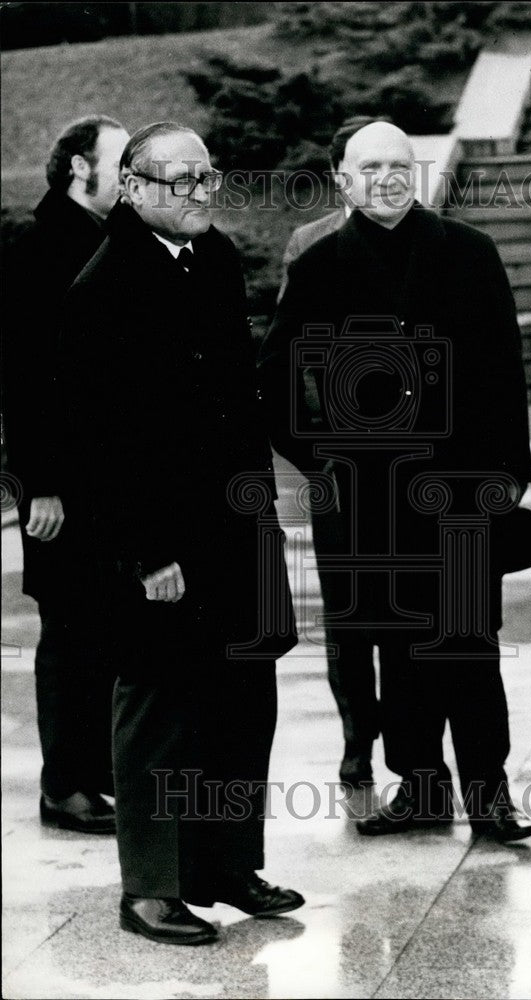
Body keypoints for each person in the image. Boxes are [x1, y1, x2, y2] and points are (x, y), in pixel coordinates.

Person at [58, 122, 302, 945]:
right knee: (158, 704)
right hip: (160, 545)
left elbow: (239, 399)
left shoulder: (216, 257)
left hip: (236, 527)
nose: (202, 194)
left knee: (240, 699)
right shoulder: (104, 285)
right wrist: (144, 553)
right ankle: (152, 889)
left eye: (208, 179)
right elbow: (97, 442)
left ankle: (225, 865)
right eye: (182, 181)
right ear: (132, 187)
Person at [260, 121, 531, 841]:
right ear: (343, 179)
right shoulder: (321, 265)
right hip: (368, 502)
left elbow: (506, 373)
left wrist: (508, 478)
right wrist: (323, 460)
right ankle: (418, 786)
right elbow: (276, 378)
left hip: (464, 491)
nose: (386, 177)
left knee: (468, 646)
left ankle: (490, 793)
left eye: (398, 164)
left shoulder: (470, 252)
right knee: (396, 648)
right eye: (370, 166)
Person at [2, 115, 130, 834]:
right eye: (121, 161)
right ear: (82, 168)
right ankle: (64, 786)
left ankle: (98, 772)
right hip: (61, 486)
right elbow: (23, 375)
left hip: (109, 480)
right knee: (70, 631)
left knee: (105, 626)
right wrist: (38, 483)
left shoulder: (109, 238)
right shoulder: (40, 245)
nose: (133, 175)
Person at [279, 117, 386, 789]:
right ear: (341, 172)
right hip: (339, 464)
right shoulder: (310, 243)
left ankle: (411, 744)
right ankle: (357, 738)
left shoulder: (420, 238)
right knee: (347, 617)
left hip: (408, 464)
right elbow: (292, 355)